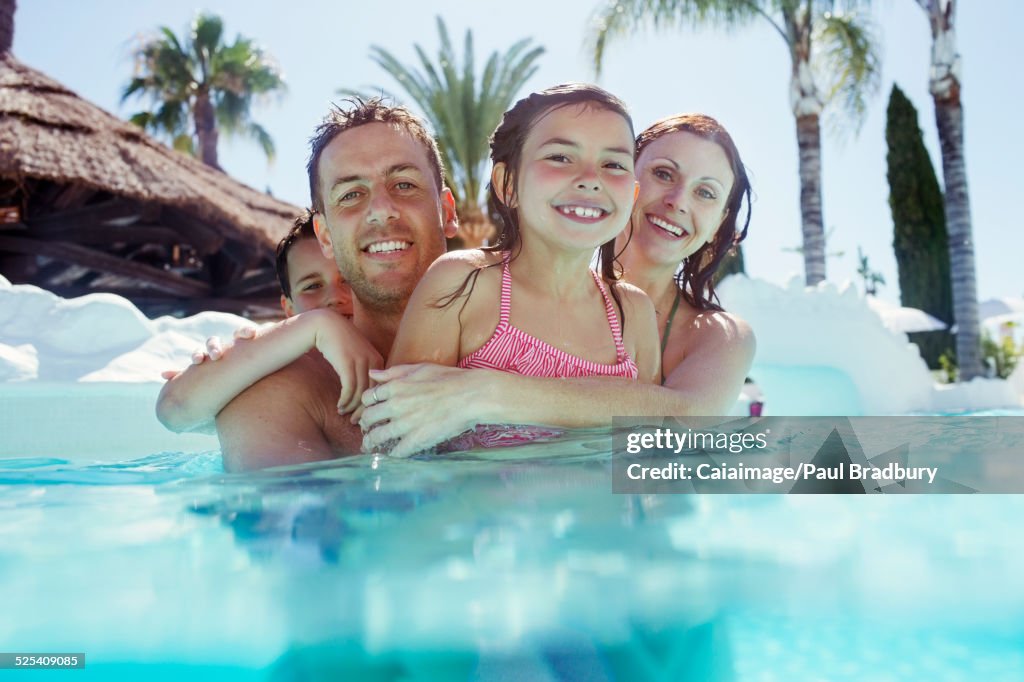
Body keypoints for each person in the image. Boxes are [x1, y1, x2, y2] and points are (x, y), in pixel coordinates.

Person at [359, 113, 755, 457]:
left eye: (706, 193)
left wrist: (486, 394)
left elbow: (691, 422)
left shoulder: (722, 336)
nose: (678, 201)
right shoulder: (485, 285)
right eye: (663, 174)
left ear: (720, 222)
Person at [156, 98, 457, 470]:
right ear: (325, 236)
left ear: (446, 212)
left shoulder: (524, 347)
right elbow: (176, 409)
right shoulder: (279, 393)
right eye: (351, 194)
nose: (381, 208)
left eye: (404, 184)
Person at [373, 83, 660, 445]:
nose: (591, 179)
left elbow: (651, 447)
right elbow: (391, 437)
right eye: (560, 157)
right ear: (507, 184)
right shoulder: (465, 285)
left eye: (613, 164)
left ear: (632, 195)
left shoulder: (631, 313)